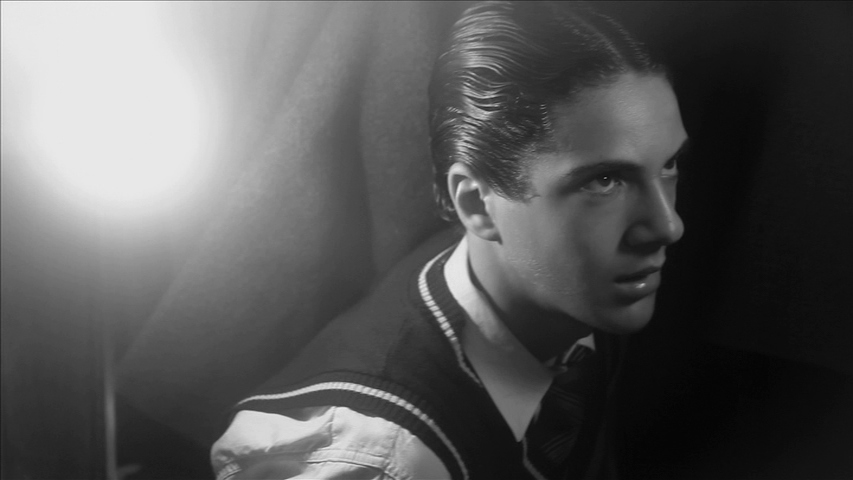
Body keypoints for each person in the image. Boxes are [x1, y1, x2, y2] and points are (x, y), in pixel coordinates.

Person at [211, 1, 688, 479]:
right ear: (477, 204)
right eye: (604, 181)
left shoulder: (564, 286)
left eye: (668, 165)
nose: (668, 226)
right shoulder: (379, 462)